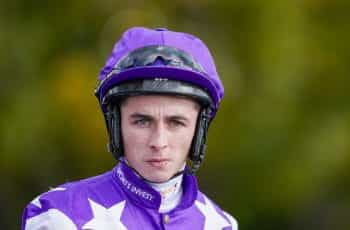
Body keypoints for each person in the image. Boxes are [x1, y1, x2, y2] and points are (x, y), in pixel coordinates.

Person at [21, 27, 238, 230]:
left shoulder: (221, 225)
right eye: (142, 121)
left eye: (176, 122)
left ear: (199, 128)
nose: (159, 142)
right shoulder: (59, 216)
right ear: (116, 123)